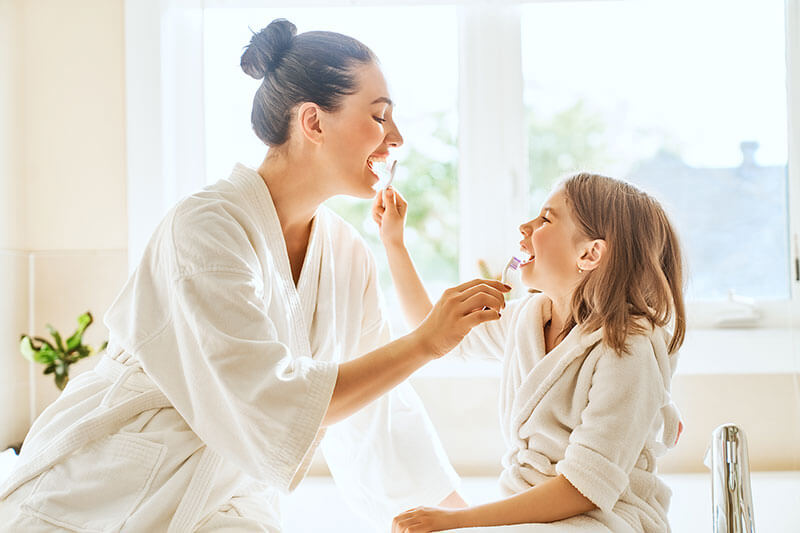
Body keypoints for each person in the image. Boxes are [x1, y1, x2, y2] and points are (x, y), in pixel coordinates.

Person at [0, 19, 510, 532]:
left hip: (227, 501)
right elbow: (269, 399)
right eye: (379, 117)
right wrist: (427, 342)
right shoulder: (206, 227)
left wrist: (466, 520)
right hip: (101, 492)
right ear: (312, 121)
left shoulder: (346, 253)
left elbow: (378, 412)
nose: (396, 138)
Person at [374, 173, 686, 532]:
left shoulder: (627, 349)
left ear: (589, 254)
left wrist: (459, 521)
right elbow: (435, 336)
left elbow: (585, 488)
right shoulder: (528, 318)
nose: (525, 227)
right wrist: (394, 243)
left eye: (545, 219)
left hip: (604, 518)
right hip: (531, 511)